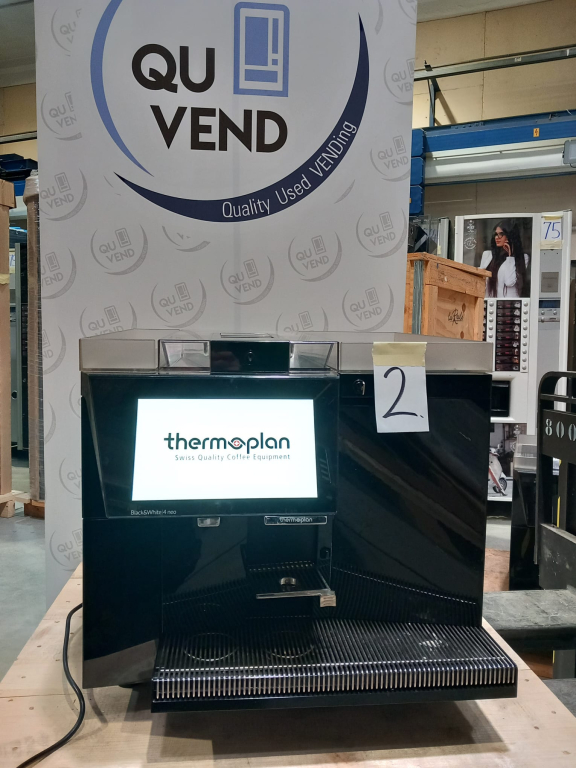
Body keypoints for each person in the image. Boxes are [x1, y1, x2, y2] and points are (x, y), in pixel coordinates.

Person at [480, 220, 530, 298]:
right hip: (490, 302)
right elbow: (481, 282)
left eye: (501, 234)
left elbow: (509, 282)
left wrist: (510, 257)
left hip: (508, 303)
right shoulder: (487, 255)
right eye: (496, 234)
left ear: (510, 236)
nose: (497, 238)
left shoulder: (522, 258)